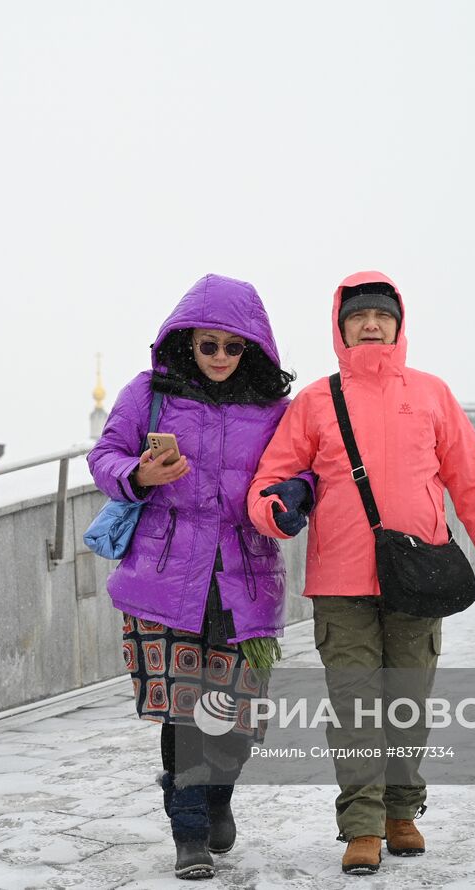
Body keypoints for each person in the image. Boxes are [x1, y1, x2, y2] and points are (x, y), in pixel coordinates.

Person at [247, 271, 475, 876]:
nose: (371, 325)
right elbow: (270, 478)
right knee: (355, 709)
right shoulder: (315, 402)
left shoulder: (431, 394)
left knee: (407, 702)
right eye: (359, 317)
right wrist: (272, 509)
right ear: (341, 326)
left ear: (399, 324)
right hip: (340, 583)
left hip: (419, 576)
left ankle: (401, 812)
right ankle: (361, 826)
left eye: (382, 316)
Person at [88, 273, 305, 881]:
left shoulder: (275, 410)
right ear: (186, 342)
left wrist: (295, 493)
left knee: (233, 720)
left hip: (247, 578)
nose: (218, 357)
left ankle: (218, 798)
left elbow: (302, 469)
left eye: (232, 347)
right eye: (207, 345)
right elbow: (104, 456)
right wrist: (141, 475)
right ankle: (188, 835)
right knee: (183, 712)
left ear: (252, 350)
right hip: (164, 581)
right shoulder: (148, 394)